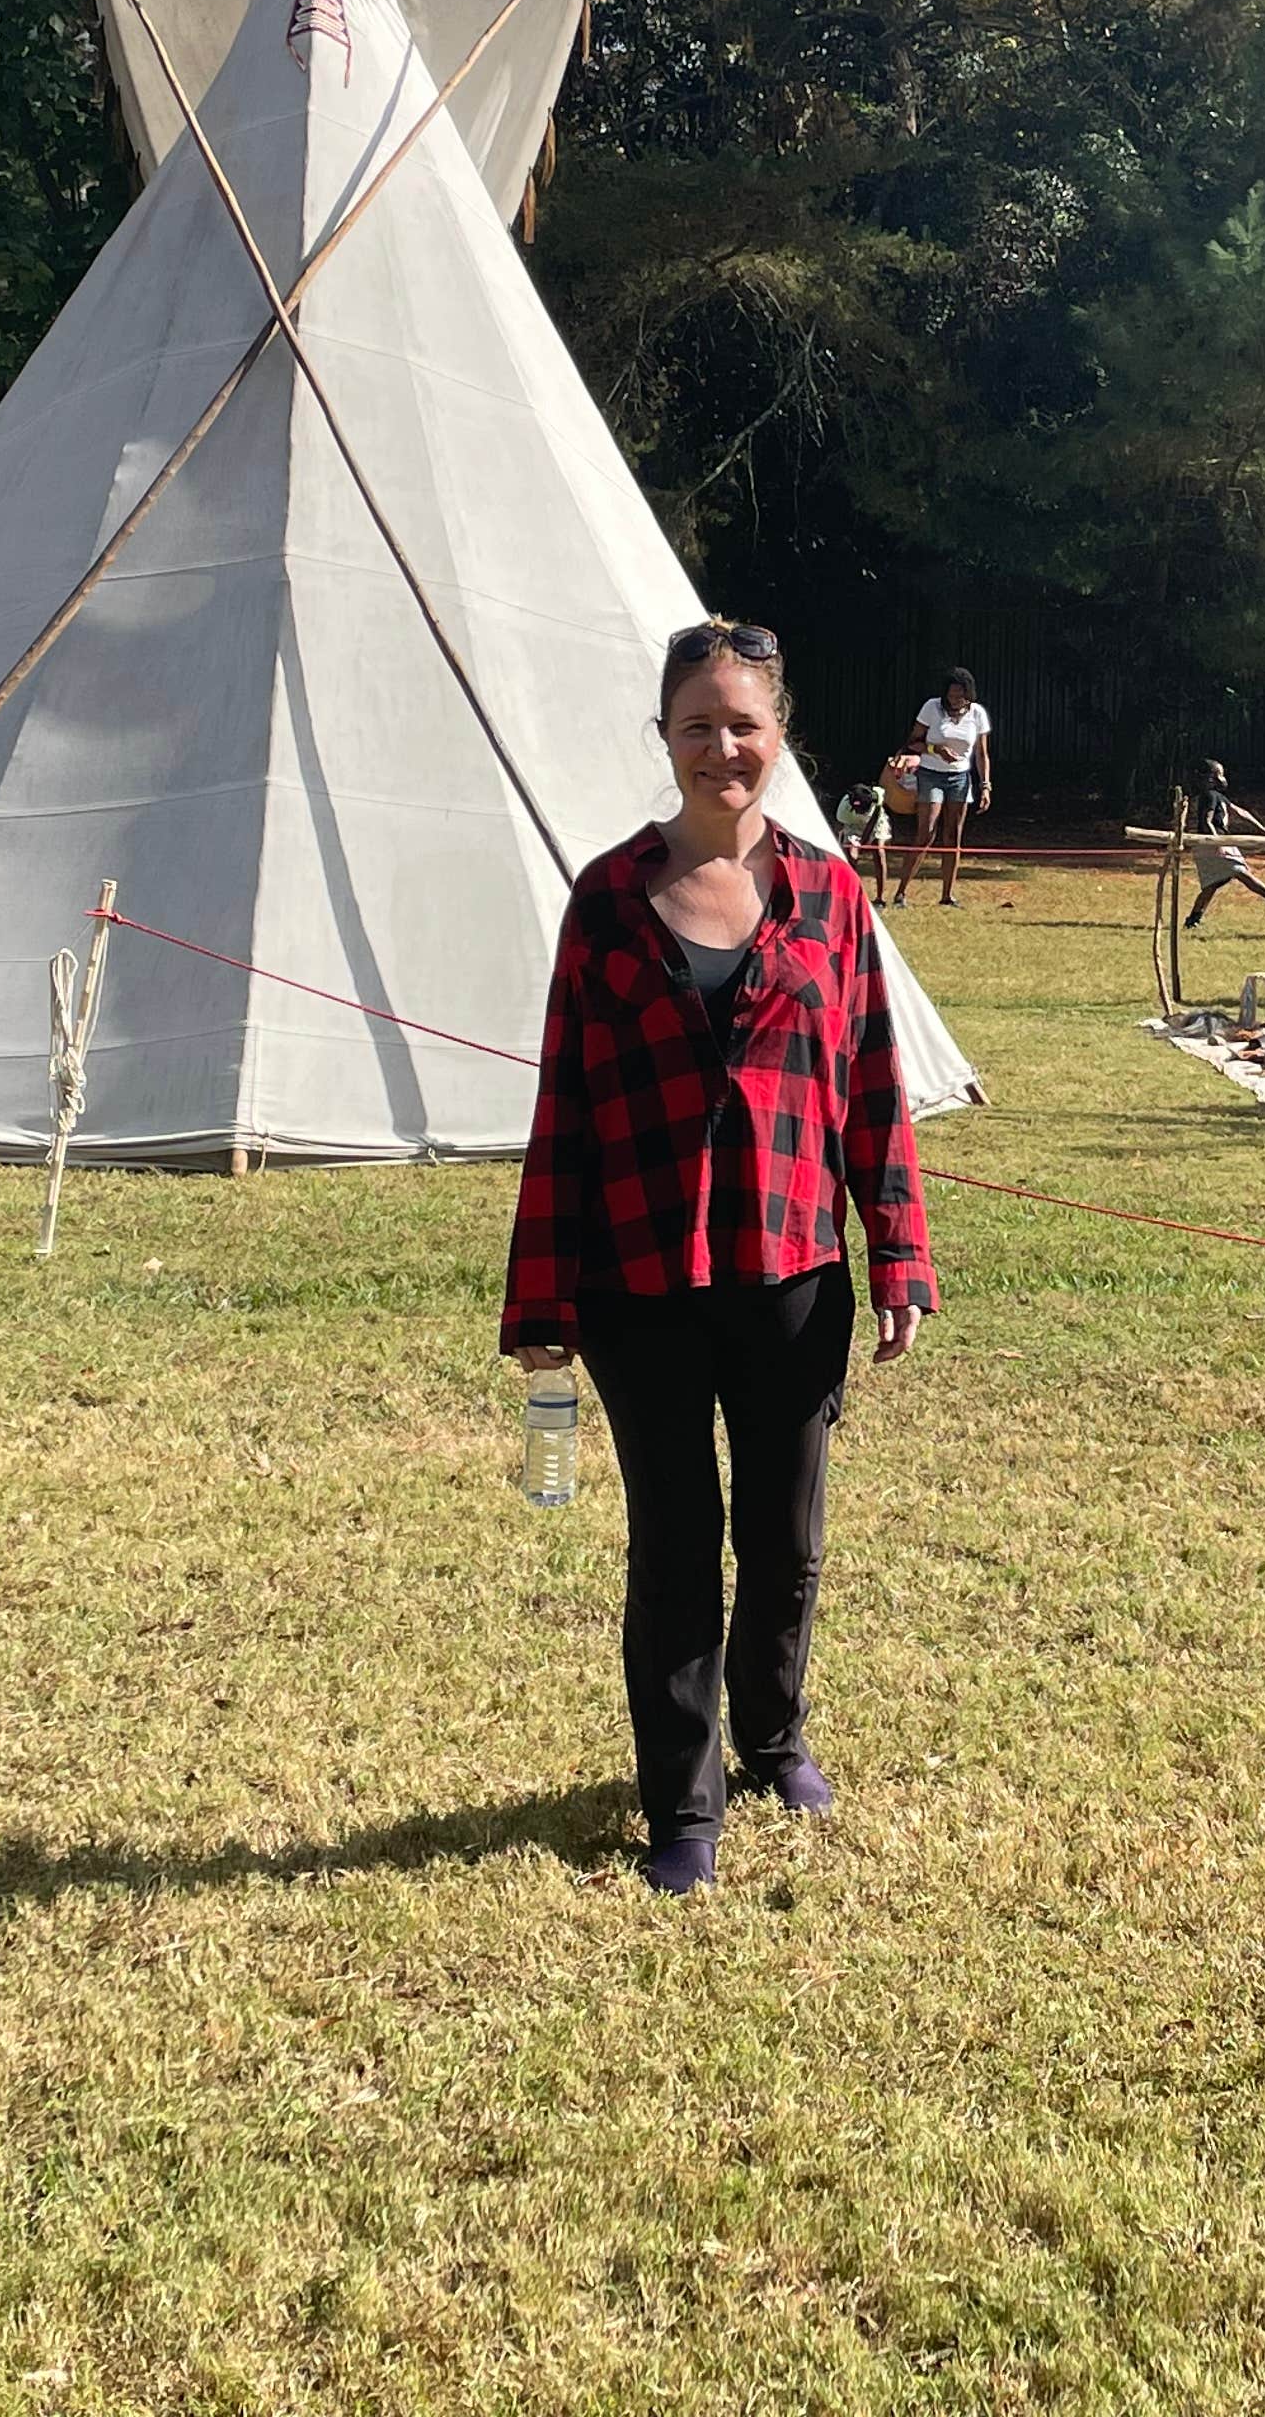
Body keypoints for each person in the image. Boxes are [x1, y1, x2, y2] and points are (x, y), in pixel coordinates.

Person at [503, 617, 933, 1899]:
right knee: (677, 1546)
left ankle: (776, 1735)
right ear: (667, 740)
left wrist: (899, 1251)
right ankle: (682, 1805)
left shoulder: (830, 896)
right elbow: (563, 1106)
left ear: (777, 734)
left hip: (793, 1274)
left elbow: (872, 1087)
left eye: (743, 723)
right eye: (697, 725)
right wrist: (541, 1295)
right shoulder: (607, 899)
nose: (722, 747)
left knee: (786, 1537)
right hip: (639, 1282)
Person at [892, 664, 993, 906]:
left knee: (953, 836)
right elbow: (912, 742)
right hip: (931, 774)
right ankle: (901, 893)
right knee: (926, 831)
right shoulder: (931, 707)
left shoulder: (977, 714)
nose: (955, 699)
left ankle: (947, 895)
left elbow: (981, 754)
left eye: (960, 694)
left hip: (960, 778)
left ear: (969, 694)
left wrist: (986, 785)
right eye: (951, 694)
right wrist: (935, 749)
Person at [1180, 761, 1265, 927]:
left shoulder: (1218, 796)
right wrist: (1216, 842)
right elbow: (1207, 820)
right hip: (1214, 842)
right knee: (1240, 871)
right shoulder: (1209, 796)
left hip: (1217, 842)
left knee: (1213, 884)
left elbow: (1241, 812)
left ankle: (1193, 919)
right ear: (1210, 778)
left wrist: (1262, 828)